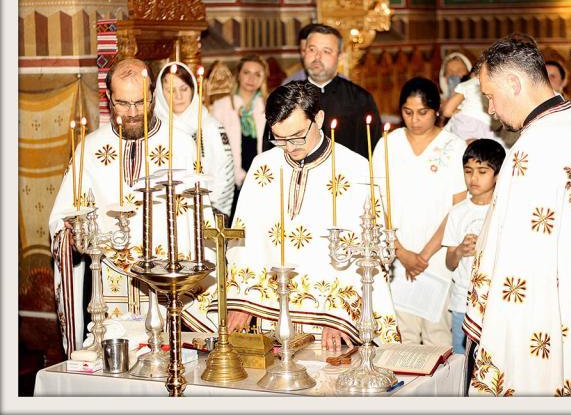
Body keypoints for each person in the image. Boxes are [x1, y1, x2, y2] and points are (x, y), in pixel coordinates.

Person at [186, 81, 400, 350]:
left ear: (318, 119)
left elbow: (369, 253)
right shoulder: (263, 166)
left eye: (297, 136)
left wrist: (341, 315)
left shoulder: (355, 170)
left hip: (331, 327)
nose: (289, 146)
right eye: (279, 138)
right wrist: (242, 302)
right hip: (267, 315)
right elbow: (244, 241)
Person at [463, 34, 571, 396]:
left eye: (490, 96)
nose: (491, 109)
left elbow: (516, 258)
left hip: (539, 319)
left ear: (514, 84)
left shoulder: (536, 145)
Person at [48, 58, 212, 356]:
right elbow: (63, 216)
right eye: (123, 103)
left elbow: (199, 220)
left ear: (152, 95)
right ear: (108, 97)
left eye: (140, 102)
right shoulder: (90, 148)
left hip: (167, 281)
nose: (133, 112)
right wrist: (69, 233)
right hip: (110, 283)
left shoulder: (181, 143)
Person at [372, 77, 467, 347]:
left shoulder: (453, 146)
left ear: (436, 110)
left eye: (423, 113)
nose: (415, 120)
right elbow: (377, 202)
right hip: (395, 255)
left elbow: (457, 207)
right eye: (408, 112)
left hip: (436, 257)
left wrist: (424, 255)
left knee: (438, 337)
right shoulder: (388, 145)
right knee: (401, 338)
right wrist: (401, 252)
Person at [264, 24, 382, 160]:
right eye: (312, 49)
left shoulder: (360, 99)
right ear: (303, 53)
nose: (317, 56)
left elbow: (372, 149)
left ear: (341, 56)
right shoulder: (285, 97)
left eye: (326, 51)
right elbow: (271, 148)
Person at [442, 139, 505, 355]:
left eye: (482, 171)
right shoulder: (458, 211)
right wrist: (459, 250)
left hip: (493, 301)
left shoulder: (502, 211)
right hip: (462, 302)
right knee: (462, 360)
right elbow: (450, 263)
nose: (474, 178)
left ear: (497, 175)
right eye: (468, 171)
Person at [155, 61, 235, 216]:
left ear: (193, 89)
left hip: (205, 209)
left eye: (184, 89)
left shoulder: (210, 126)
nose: (178, 96)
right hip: (164, 211)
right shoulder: (156, 129)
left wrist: (212, 211)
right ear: (160, 92)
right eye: (170, 90)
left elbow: (225, 173)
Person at [212, 55, 269, 191]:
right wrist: (240, 175)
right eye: (246, 72)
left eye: (257, 74)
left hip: (263, 177)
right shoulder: (222, 106)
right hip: (231, 179)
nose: (251, 79)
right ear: (238, 75)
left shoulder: (268, 106)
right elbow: (215, 147)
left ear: (263, 78)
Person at [441, 66, 506, 149]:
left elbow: (447, 111)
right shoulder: (498, 87)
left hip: (465, 124)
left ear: (474, 74)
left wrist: (461, 111)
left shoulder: (469, 83)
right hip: (489, 129)